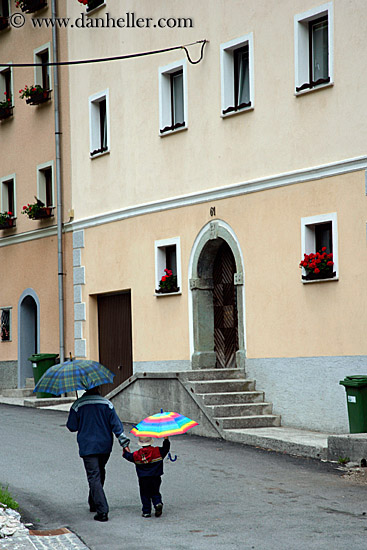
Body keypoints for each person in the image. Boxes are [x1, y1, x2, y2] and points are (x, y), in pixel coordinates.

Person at [66, 386, 130, 522]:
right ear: (98, 388)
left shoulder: (78, 405)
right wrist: (124, 444)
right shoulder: (107, 404)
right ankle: (93, 502)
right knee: (99, 471)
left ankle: (102, 511)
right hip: (105, 446)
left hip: (87, 446)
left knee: (94, 475)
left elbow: (72, 427)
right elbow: (116, 426)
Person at [122, 435, 170, 518]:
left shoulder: (136, 455)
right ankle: (157, 503)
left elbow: (127, 456)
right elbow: (166, 448)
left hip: (143, 478)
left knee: (144, 494)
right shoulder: (157, 451)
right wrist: (166, 439)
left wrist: (126, 448)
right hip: (156, 477)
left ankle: (146, 511)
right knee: (155, 491)